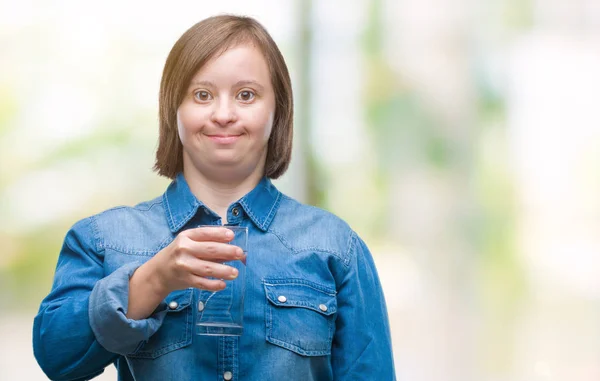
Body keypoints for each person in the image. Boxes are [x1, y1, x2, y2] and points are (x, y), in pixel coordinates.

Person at [33, 15, 395, 381]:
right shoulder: (104, 239)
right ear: (173, 109)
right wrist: (152, 281)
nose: (223, 114)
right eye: (202, 95)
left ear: (277, 110)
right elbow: (58, 359)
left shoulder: (335, 247)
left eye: (246, 95)